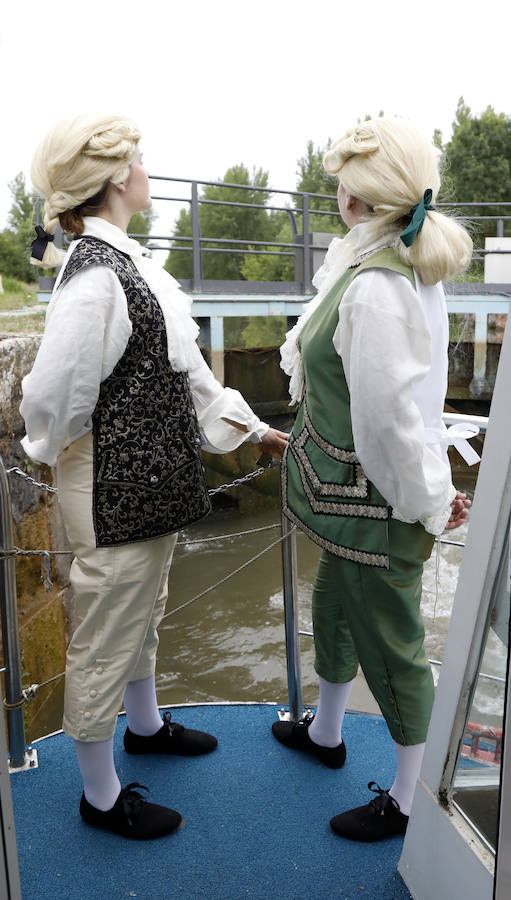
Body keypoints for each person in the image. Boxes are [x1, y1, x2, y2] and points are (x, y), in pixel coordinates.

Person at [21, 112, 288, 840]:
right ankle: (101, 796)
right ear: (114, 180)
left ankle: (143, 726)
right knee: (106, 632)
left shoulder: (129, 268)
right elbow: (50, 402)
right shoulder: (96, 281)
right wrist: (100, 452)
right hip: (110, 492)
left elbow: (190, 376)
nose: (147, 171)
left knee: (144, 612)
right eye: (139, 162)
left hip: (146, 487)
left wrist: (254, 431)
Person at [274, 117, 476, 842]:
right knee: (332, 604)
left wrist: (426, 503)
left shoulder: (376, 288)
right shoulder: (383, 264)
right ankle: (327, 732)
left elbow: (390, 423)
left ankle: (409, 796)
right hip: (346, 499)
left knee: (392, 644)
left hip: (374, 502)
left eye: (338, 182)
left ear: (356, 199)